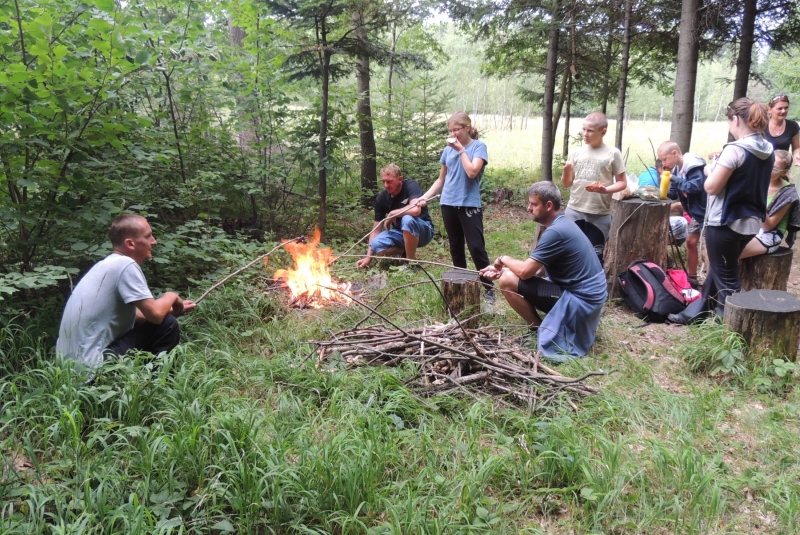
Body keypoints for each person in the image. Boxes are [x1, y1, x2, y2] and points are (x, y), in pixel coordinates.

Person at [669, 98, 774, 324]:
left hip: (725, 223)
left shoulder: (735, 150)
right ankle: (695, 314)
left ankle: (734, 333)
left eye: (730, 121)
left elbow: (712, 187)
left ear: (735, 119)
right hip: (750, 223)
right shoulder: (767, 149)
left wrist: (712, 170)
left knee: (728, 282)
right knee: (719, 270)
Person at [479, 181, 607, 362]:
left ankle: (538, 329)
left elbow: (524, 272)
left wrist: (502, 259)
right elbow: (535, 270)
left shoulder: (556, 232)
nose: (528, 208)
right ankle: (542, 327)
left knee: (507, 281)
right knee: (508, 276)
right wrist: (506, 271)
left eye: (533, 204)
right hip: (588, 296)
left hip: (581, 302)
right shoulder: (563, 223)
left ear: (548, 206)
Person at [56, 214, 196, 371]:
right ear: (130, 243)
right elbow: (155, 315)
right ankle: (158, 386)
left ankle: (138, 381)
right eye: (148, 236)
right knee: (167, 325)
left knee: (166, 319)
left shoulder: (105, 265)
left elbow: (133, 316)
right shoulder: (125, 265)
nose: (154, 241)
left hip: (69, 371)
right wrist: (171, 296)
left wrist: (173, 309)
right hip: (92, 369)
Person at [420, 111, 493, 301]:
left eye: (456, 130)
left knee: (476, 247)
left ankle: (488, 289)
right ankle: (461, 287)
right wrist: (424, 197)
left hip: (469, 203)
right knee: (455, 246)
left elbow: (472, 172)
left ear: (467, 128)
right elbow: (441, 179)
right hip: (448, 203)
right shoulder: (447, 150)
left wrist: (460, 149)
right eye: (450, 131)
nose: (453, 135)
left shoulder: (479, 147)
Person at [560, 112, 627, 262]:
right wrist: (565, 172)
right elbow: (567, 183)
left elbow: (622, 182)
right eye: (583, 130)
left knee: (594, 256)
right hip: (574, 209)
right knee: (569, 252)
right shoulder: (577, 152)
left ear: (603, 131)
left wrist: (606, 190)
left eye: (590, 131)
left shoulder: (612, 153)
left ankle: (594, 284)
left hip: (599, 213)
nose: (585, 134)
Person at [356, 164, 434, 268]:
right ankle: (406, 249)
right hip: (400, 233)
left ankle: (410, 264)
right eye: (383, 181)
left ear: (400, 179)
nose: (386, 185)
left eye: (389, 181)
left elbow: (416, 210)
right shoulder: (381, 199)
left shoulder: (410, 185)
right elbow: (375, 230)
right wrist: (368, 257)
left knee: (407, 219)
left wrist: (393, 213)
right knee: (376, 246)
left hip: (423, 230)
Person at [658, 141, 707, 284]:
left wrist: (673, 178)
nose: (664, 163)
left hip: (707, 212)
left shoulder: (692, 166)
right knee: (691, 242)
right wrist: (663, 188)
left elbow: (694, 187)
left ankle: (712, 282)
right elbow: (674, 194)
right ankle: (692, 278)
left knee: (708, 250)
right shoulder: (676, 170)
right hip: (697, 214)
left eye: (665, 159)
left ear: (675, 153)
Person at [740, 150, 800, 258]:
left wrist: (757, 200)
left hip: (769, 235)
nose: (768, 169)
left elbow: (768, 227)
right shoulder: (756, 181)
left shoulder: (788, 194)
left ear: (784, 172)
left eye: (775, 168)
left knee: (728, 253)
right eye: (768, 163)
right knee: (714, 247)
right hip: (747, 226)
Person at [764, 95, 800, 165]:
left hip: (782, 169)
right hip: (763, 168)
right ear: (770, 110)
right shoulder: (762, 125)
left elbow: (796, 148)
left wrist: (797, 156)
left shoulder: (793, 126)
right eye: (780, 108)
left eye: (786, 108)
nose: (783, 111)